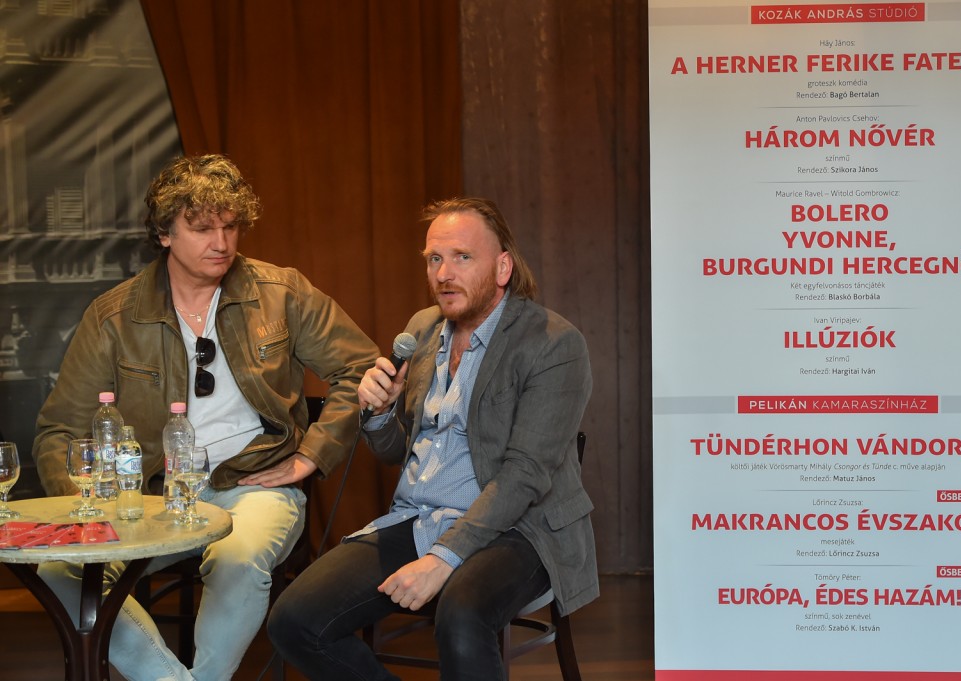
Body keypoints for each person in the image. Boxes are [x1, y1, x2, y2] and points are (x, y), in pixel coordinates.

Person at [32, 153, 378, 681]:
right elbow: (59, 430)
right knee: (60, 568)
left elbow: (362, 369)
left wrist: (313, 455)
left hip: (254, 484)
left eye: (231, 226)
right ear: (164, 234)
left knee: (239, 558)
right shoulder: (113, 316)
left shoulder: (281, 292)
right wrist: (85, 511)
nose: (221, 243)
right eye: (201, 228)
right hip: (151, 495)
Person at [268, 197, 597, 681]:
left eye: (462, 257)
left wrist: (443, 558)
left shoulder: (553, 343)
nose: (444, 273)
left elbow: (525, 476)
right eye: (434, 259)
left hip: (520, 528)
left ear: (502, 267)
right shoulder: (422, 329)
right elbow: (396, 453)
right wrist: (380, 414)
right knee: (294, 621)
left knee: (461, 615)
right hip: (420, 518)